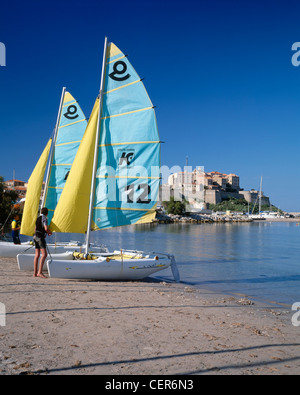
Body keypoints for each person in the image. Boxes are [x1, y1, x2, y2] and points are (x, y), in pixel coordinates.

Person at [33, 207, 52, 278]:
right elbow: (46, 228)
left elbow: (35, 229)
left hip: (35, 236)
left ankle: (35, 273)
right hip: (40, 237)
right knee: (44, 254)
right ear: (47, 213)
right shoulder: (45, 218)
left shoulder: (38, 218)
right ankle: (40, 272)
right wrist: (50, 232)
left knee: (37, 255)